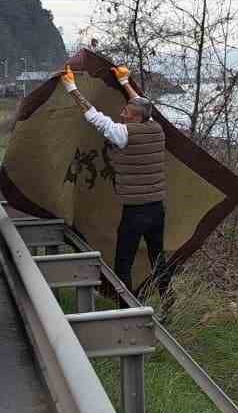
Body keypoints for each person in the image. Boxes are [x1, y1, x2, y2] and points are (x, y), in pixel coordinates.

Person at [60, 64, 169, 295]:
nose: (121, 114)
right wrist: (124, 82)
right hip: (157, 209)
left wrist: (71, 87)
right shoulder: (156, 127)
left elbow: (94, 117)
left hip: (135, 212)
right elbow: (144, 105)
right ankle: (168, 302)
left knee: (123, 263)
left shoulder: (124, 134)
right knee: (158, 258)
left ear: (136, 118)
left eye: (126, 113)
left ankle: (126, 310)